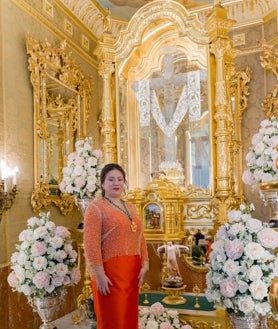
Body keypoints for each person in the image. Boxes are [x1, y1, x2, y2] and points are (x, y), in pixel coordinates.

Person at [84, 163, 149, 329]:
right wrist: (99, 274)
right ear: (103, 184)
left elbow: (140, 236)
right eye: (111, 179)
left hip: (131, 273)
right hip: (109, 273)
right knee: (112, 320)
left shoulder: (132, 207)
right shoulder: (95, 208)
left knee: (128, 319)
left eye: (120, 179)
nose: (116, 183)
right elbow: (91, 244)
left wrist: (145, 264)